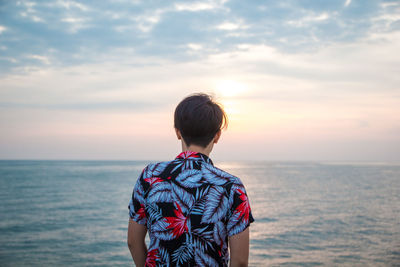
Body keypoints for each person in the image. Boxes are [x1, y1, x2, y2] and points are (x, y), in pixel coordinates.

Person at [127, 93, 254, 266]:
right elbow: (239, 261)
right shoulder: (232, 187)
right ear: (217, 136)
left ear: (178, 132)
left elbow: (133, 242)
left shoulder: (150, 176)